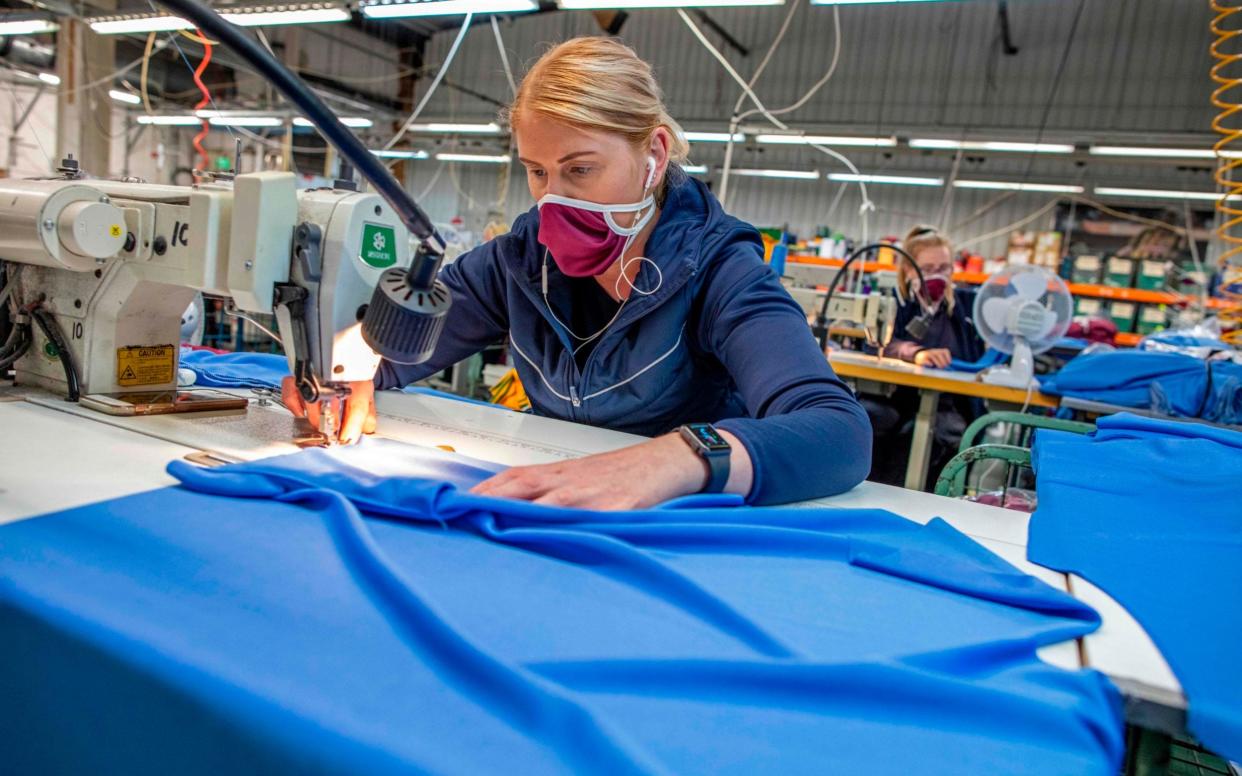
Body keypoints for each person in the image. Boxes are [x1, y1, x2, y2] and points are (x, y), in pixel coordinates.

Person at [285, 37, 870, 509]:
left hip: (678, 528)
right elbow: (392, 354)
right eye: (537, 172)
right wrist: (344, 374)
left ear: (654, 156)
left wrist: (678, 458)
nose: (552, 201)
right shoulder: (517, 262)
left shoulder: (719, 270)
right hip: (558, 512)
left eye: (580, 169)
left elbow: (837, 432)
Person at [865, 225, 986, 486]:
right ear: (908, 270)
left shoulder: (965, 309)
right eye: (928, 269)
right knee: (871, 420)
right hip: (894, 399)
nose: (938, 276)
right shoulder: (892, 305)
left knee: (934, 434)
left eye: (944, 269)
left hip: (948, 405)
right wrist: (915, 353)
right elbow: (872, 344)